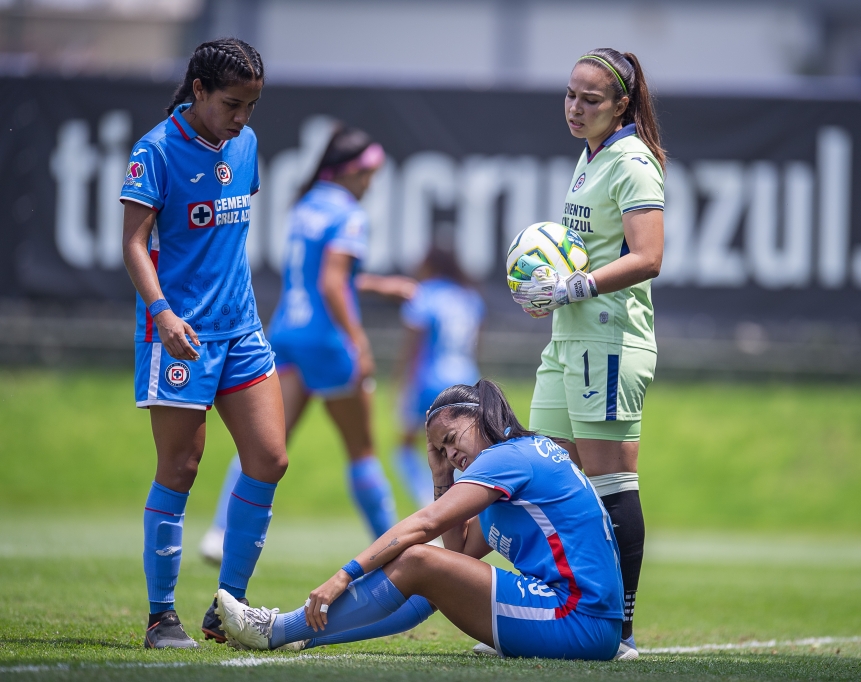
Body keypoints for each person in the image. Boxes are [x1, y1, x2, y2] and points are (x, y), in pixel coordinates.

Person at [213, 380, 624, 660]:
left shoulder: (507, 459)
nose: (451, 456)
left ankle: (276, 630)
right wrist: (441, 475)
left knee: (418, 560)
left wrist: (345, 573)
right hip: (586, 622)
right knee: (431, 576)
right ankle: (298, 636)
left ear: (482, 417)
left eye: (451, 440)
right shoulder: (515, 461)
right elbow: (460, 552)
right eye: (440, 452)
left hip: (578, 622)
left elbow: (427, 527)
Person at [120, 38, 287, 649]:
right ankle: (161, 617)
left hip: (241, 329)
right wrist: (161, 314)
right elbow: (134, 243)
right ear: (198, 91)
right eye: (231, 103)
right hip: (181, 333)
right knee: (182, 467)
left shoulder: (244, 146)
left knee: (270, 458)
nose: (241, 117)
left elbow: (223, 242)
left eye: (250, 105)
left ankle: (229, 607)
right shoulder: (156, 151)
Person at [198, 124, 417, 568]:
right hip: (328, 342)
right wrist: (360, 342)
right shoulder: (350, 214)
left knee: (264, 443)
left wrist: (375, 284)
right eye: (369, 173)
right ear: (351, 171)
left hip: (286, 333)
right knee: (362, 450)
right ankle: (392, 546)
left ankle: (220, 532)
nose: (371, 183)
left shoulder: (306, 205)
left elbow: (318, 279)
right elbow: (332, 283)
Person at [510, 47, 666, 660]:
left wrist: (578, 286)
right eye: (571, 95)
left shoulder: (632, 161)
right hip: (567, 338)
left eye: (591, 99)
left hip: (609, 340)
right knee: (541, 475)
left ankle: (618, 630)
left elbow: (648, 255)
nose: (576, 108)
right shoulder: (591, 155)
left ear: (621, 105)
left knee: (610, 486)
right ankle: (548, 613)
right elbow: (583, 250)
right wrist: (547, 288)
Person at [393, 247, 485, 509]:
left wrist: (401, 384)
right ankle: (469, 507)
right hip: (467, 378)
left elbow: (413, 346)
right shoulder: (469, 297)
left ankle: (429, 502)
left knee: (406, 447)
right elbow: (477, 345)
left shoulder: (423, 294)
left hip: (429, 379)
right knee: (466, 449)